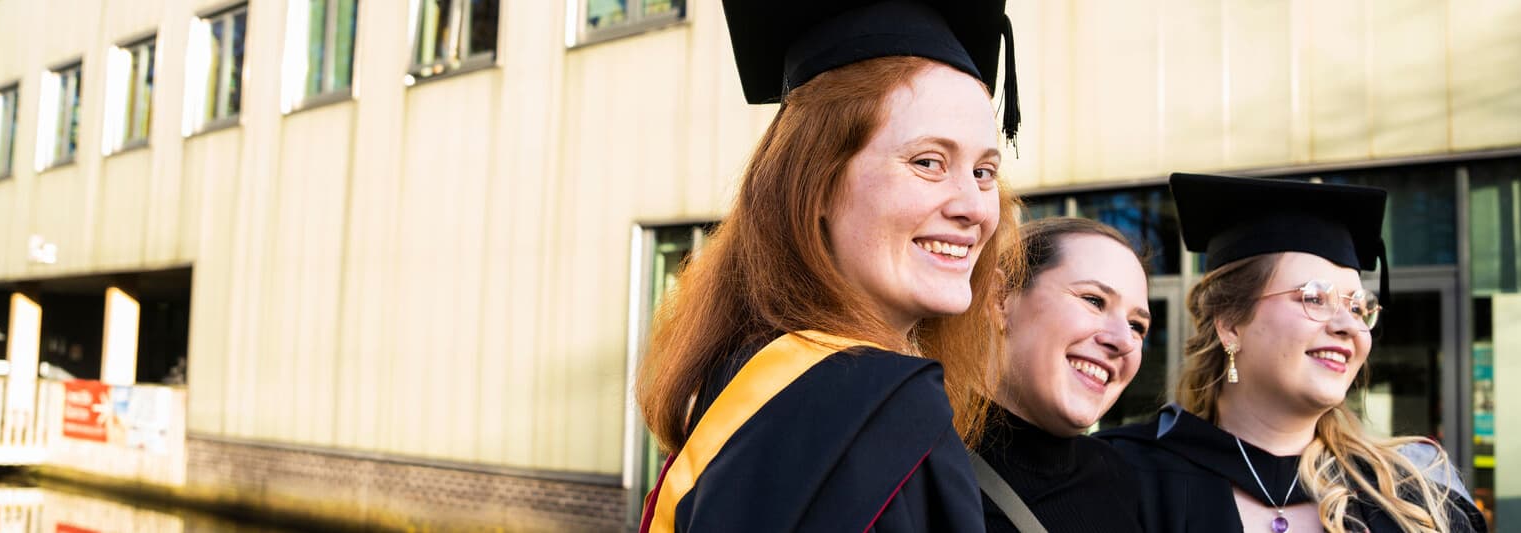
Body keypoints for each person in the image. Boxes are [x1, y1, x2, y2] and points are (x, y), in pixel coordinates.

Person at [634, 0, 1024, 530]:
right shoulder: (883, 422)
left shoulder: (751, 388)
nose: (975, 206)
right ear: (813, 184)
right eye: (928, 162)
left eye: (983, 171)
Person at [1100, 173, 1486, 533]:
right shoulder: (1118, 479)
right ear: (1231, 324)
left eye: (1357, 307)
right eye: (1314, 298)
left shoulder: (1418, 498)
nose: (1349, 326)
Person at [975, 217, 1151, 533]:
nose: (1124, 341)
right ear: (1000, 298)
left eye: (1138, 326)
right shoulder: (920, 471)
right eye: (1094, 300)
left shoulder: (1119, 477)